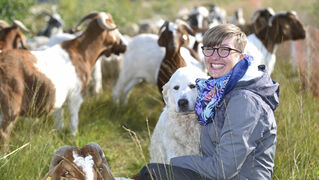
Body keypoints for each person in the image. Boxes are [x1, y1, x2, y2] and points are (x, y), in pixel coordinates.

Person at [137, 24, 279, 180]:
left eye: (225, 50)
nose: (214, 57)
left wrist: (173, 161)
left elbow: (223, 169)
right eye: (209, 49)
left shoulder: (245, 101)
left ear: (241, 56)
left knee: (152, 174)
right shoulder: (219, 89)